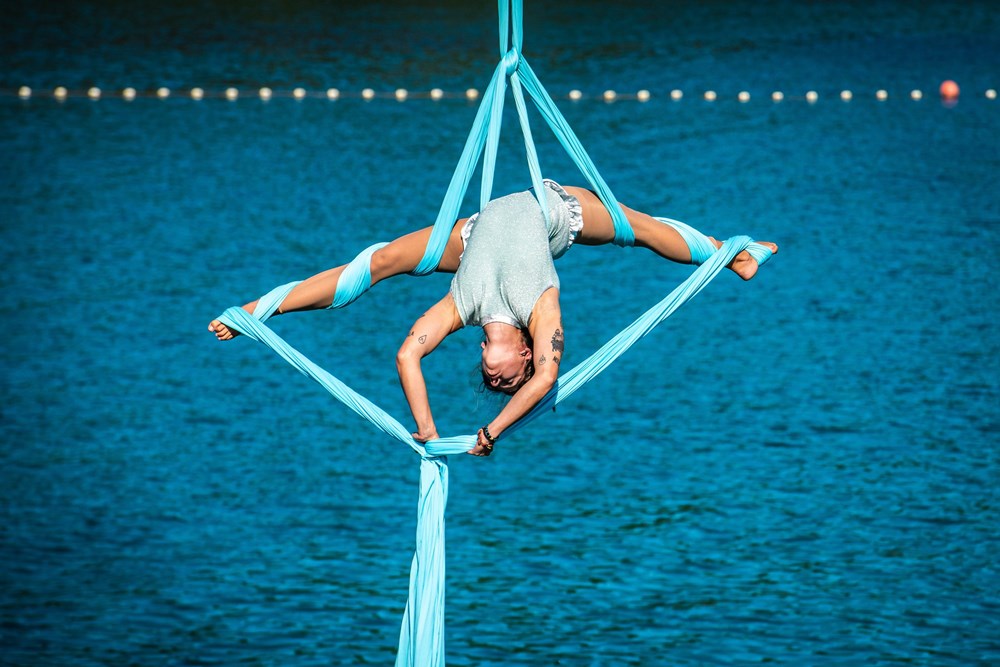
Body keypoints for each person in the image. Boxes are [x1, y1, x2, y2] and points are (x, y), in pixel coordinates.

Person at [209, 181, 777, 457]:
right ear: (527, 352)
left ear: (486, 354)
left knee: (379, 260)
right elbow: (547, 381)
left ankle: (732, 255)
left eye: (493, 379)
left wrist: (428, 429)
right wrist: (492, 431)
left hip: (480, 236)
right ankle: (263, 308)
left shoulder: (464, 308)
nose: (497, 377)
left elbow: (407, 354)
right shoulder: (542, 309)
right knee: (642, 230)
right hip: (546, 211)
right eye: (508, 380)